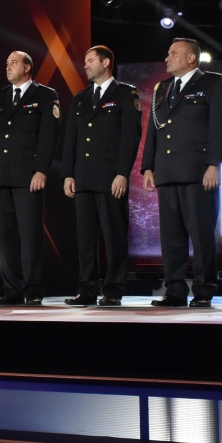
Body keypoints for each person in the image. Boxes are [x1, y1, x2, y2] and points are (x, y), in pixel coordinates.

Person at [141, 38, 222, 308]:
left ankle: (203, 291)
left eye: (173, 54)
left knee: (201, 234)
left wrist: (214, 164)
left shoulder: (212, 83)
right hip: (167, 170)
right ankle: (175, 291)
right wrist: (148, 166)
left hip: (197, 171)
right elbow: (154, 130)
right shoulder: (162, 88)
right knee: (171, 236)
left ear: (191, 58)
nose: (167, 58)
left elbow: (221, 126)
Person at [0, 51, 61, 306]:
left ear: (27, 67)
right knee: (6, 236)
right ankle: (12, 289)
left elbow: (48, 136)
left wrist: (41, 170)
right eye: (7, 63)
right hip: (1, 175)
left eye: (13, 63)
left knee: (30, 235)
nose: (8, 66)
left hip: (28, 176)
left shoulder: (45, 95)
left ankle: (33, 289)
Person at [62, 46, 142, 307]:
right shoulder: (80, 98)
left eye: (90, 60)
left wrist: (122, 173)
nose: (85, 65)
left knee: (114, 236)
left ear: (106, 62)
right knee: (85, 239)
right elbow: (71, 140)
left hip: (110, 178)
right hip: (83, 177)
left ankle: (113, 290)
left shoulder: (125, 93)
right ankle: (86, 289)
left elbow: (130, 137)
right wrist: (68, 173)